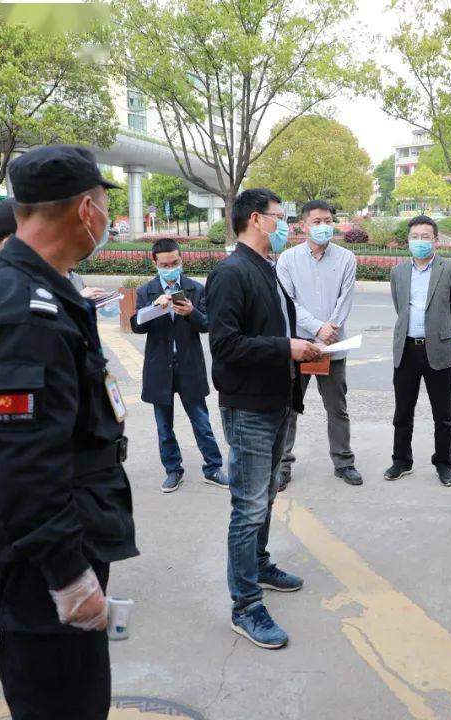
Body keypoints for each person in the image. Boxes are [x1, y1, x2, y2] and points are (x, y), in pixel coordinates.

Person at [0, 145, 138, 719]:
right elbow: (23, 463)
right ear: (85, 210)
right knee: (61, 701)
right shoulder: (23, 310)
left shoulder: (42, 288)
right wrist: (68, 575)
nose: (106, 217)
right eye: (105, 204)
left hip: (58, 535)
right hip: (41, 557)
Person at [205, 188, 322, 650]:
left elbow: (271, 330)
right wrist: (286, 348)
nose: (287, 224)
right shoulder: (232, 273)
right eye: (281, 216)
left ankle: (259, 564)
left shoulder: (265, 269)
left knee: (266, 496)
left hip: (276, 401)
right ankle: (246, 605)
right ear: (256, 219)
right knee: (249, 505)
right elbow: (225, 345)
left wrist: (299, 347)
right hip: (249, 407)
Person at [277, 199, 363, 489]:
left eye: (328, 220)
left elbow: (346, 298)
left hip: (333, 347)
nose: (323, 226)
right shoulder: (287, 260)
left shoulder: (346, 258)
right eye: (317, 222)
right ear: (303, 225)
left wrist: (329, 330)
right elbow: (289, 302)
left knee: (337, 408)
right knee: (289, 407)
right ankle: (283, 465)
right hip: (298, 346)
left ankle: (344, 462)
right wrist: (317, 328)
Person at [130, 238, 226, 493]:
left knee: (201, 421)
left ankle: (213, 467)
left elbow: (207, 324)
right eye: (165, 264)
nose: (170, 267)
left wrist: (191, 313)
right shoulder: (146, 291)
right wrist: (154, 307)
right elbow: (136, 325)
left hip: (188, 364)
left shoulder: (195, 289)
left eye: (175, 262)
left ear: (181, 260)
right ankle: (173, 469)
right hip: (159, 366)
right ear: (155, 263)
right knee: (164, 426)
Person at [385, 215, 451, 487]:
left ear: (436, 240)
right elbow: (401, 308)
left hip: (438, 350)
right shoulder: (398, 272)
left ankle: (443, 463)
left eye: (425, 237)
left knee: (442, 413)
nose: (419, 241)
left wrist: (439, 330)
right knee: (403, 411)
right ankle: (401, 460)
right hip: (407, 349)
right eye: (414, 237)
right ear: (408, 240)